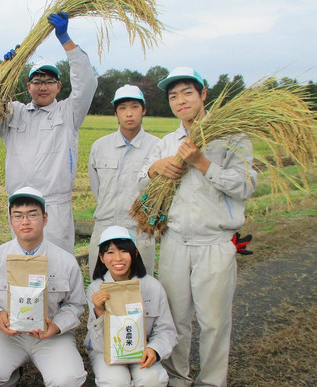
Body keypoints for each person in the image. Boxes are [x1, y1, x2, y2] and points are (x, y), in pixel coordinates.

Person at [137, 67, 257, 387]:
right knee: (175, 318)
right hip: (175, 241)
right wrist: (154, 168)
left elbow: (245, 186)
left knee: (214, 322)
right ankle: (177, 377)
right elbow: (140, 183)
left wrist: (203, 163)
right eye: (173, 95)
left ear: (203, 95)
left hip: (215, 242)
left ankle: (211, 381)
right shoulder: (166, 143)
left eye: (187, 92)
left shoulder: (231, 137)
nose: (180, 100)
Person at [0, 11, 98, 253]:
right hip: (20, 207)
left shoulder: (69, 113)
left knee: (57, 270)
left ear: (59, 86)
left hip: (54, 208)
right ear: (28, 86)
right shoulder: (14, 113)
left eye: (49, 81)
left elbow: (86, 82)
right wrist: (5, 68)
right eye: (37, 81)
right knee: (21, 269)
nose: (43, 86)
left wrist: (66, 39)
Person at [0, 187, 87, 387]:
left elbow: (76, 305)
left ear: (45, 218)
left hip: (51, 337)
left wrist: (56, 326)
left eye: (32, 215)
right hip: (8, 336)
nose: (25, 222)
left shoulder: (65, 261)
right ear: (10, 220)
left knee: (67, 379)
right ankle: (12, 373)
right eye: (18, 216)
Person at [85, 225, 177, 387]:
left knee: (152, 379)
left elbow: (166, 329)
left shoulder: (152, 286)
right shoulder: (96, 288)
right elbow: (97, 344)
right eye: (110, 252)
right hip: (106, 351)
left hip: (142, 349)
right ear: (101, 258)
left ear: (135, 253)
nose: (118, 258)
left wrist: (154, 349)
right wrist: (99, 312)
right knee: (115, 381)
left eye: (124, 251)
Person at [88, 85, 159, 275]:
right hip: (104, 227)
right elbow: (97, 188)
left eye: (134, 107)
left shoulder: (158, 147)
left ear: (143, 110)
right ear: (116, 113)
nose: (129, 114)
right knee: (100, 287)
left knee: (139, 289)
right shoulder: (100, 147)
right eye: (122, 108)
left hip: (139, 231)